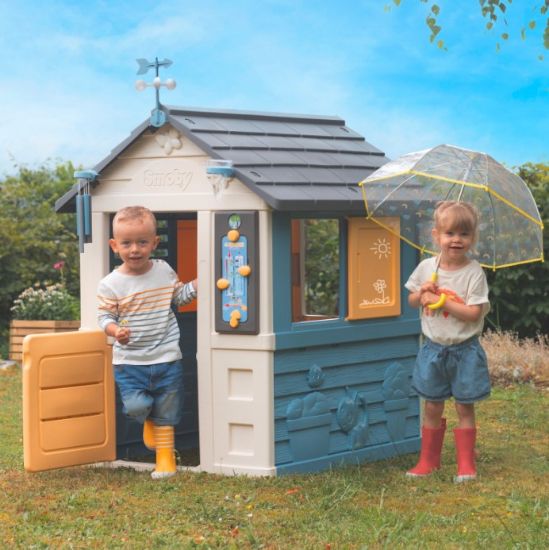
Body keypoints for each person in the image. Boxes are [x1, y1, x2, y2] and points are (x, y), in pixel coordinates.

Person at [97, 206, 197, 479]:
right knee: (136, 406)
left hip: (167, 356)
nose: (135, 249)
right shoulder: (110, 283)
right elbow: (104, 317)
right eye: (127, 243)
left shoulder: (163, 271)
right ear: (114, 245)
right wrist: (115, 330)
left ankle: (165, 462)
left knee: (169, 409)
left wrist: (197, 285)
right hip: (130, 362)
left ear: (155, 242)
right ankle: (148, 420)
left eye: (142, 242)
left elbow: (178, 298)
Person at [404, 201, 491, 482]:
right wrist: (423, 292)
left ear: (473, 238)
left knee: (464, 405)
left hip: (465, 350)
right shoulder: (427, 267)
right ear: (436, 235)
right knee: (432, 404)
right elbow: (412, 300)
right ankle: (428, 461)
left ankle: (466, 463)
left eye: (464, 234)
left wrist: (442, 301)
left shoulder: (474, 272)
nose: (456, 240)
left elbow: (473, 313)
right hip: (433, 349)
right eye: (449, 233)